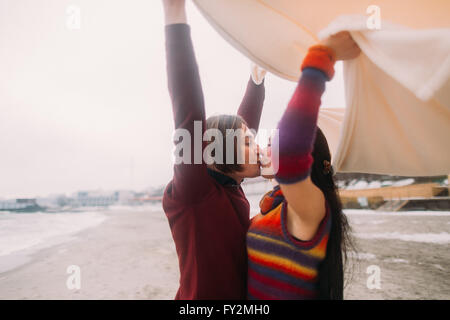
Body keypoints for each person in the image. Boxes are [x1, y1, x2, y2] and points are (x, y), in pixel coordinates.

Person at [161, 0, 266, 299]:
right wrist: (175, 16)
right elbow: (188, 109)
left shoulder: (230, 184)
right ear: (220, 154)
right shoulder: (195, 193)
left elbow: (245, 126)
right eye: (247, 142)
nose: (256, 146)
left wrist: (256, 81)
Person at [246, 32, 360, 300]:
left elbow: (290, 153)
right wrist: (254, 83)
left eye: (273, 142)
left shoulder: (308, 208)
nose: (263, 148)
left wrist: (322, 59)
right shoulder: (274, 206)